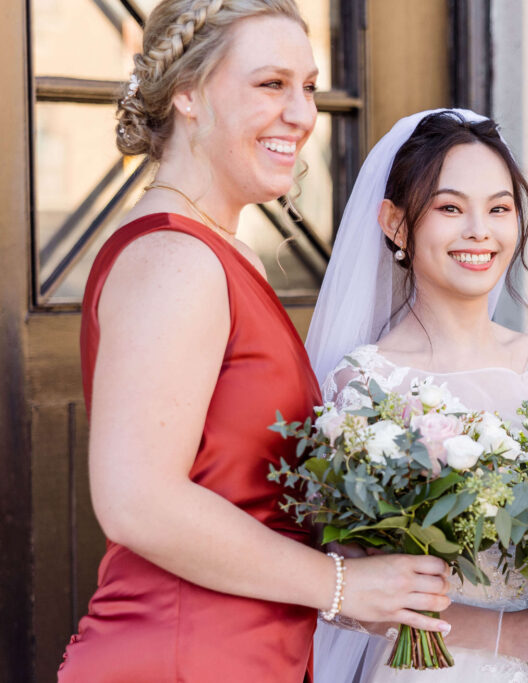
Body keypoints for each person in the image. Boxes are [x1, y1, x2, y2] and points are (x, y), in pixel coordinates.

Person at [58, 2, 450, 680]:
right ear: (187, 91)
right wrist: (340, 585)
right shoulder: (177, 258)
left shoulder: (221, 251)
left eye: (308, 85)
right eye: (271, 85)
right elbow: (136, 498)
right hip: (182, 654)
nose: (302, 114)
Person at [305, 109, 528, 683]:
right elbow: (347, 593)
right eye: (450, 208)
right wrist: (511, 633)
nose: (480, 231)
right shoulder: (367, 387)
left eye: (499, 209)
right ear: (397, 225)